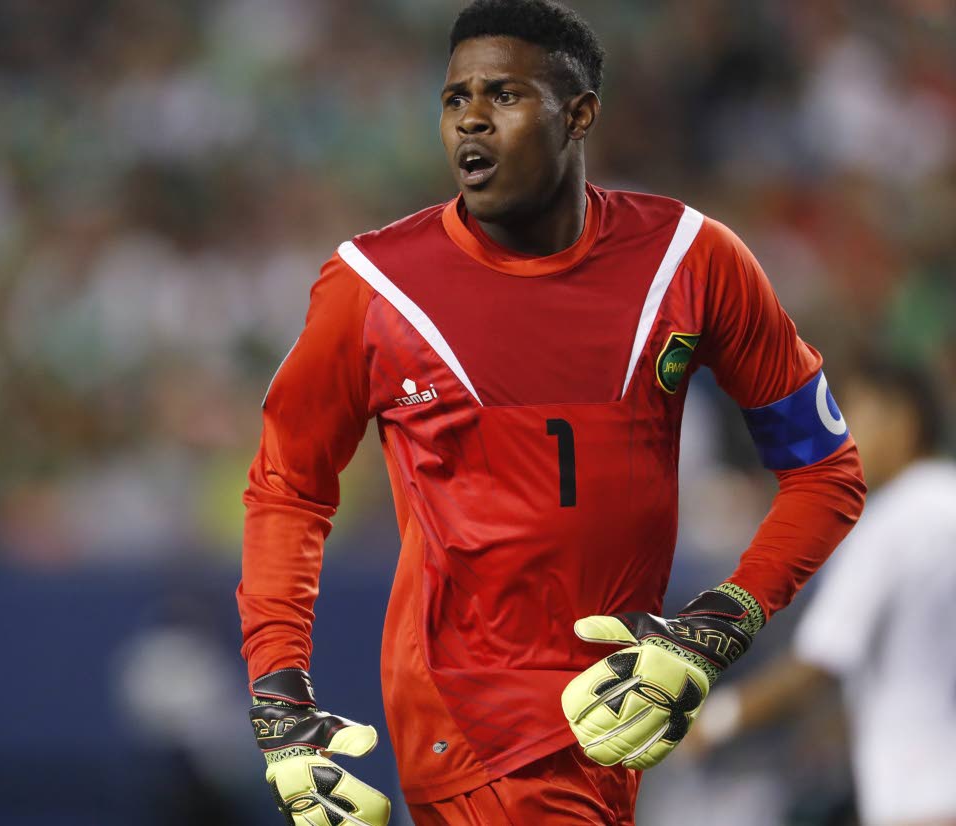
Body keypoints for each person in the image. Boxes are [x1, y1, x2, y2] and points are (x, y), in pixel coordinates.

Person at [236, 1, 866, 823]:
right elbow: (288, 486)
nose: (471, 119)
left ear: (579, 114)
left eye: (503, 95)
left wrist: (718, 625)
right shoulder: (374, 286)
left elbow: (826, 471)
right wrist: (280, 702)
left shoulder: (692, 259)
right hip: (479, 726)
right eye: (454, 98)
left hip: (619, 715)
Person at [688, 361, 955, 826]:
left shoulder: (890, 521)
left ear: (902, 419)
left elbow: (821, 660)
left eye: (856, 415)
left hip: (921, 794)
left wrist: (715, 720)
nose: (844, 437)